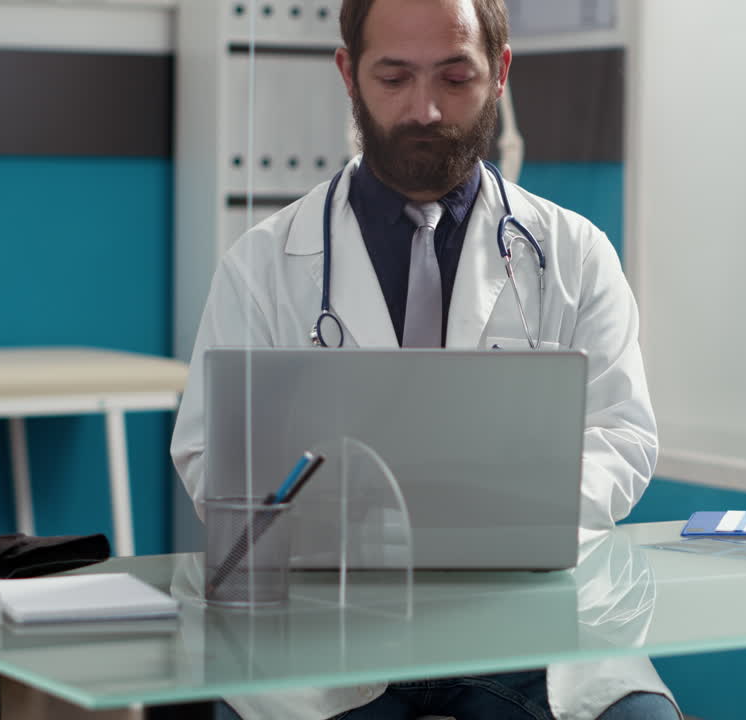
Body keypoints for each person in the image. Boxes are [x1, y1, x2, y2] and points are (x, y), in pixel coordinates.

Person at [170, 0, 679, 717]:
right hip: (327, 630)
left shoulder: (576, 254)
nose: (426, 110)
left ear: (499, 72)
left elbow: (624, 436)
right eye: (394, 77)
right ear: (348, 75)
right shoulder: (263, 264)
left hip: (527, 625)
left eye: (454, 76)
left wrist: (507, 516)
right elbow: (210, 453)